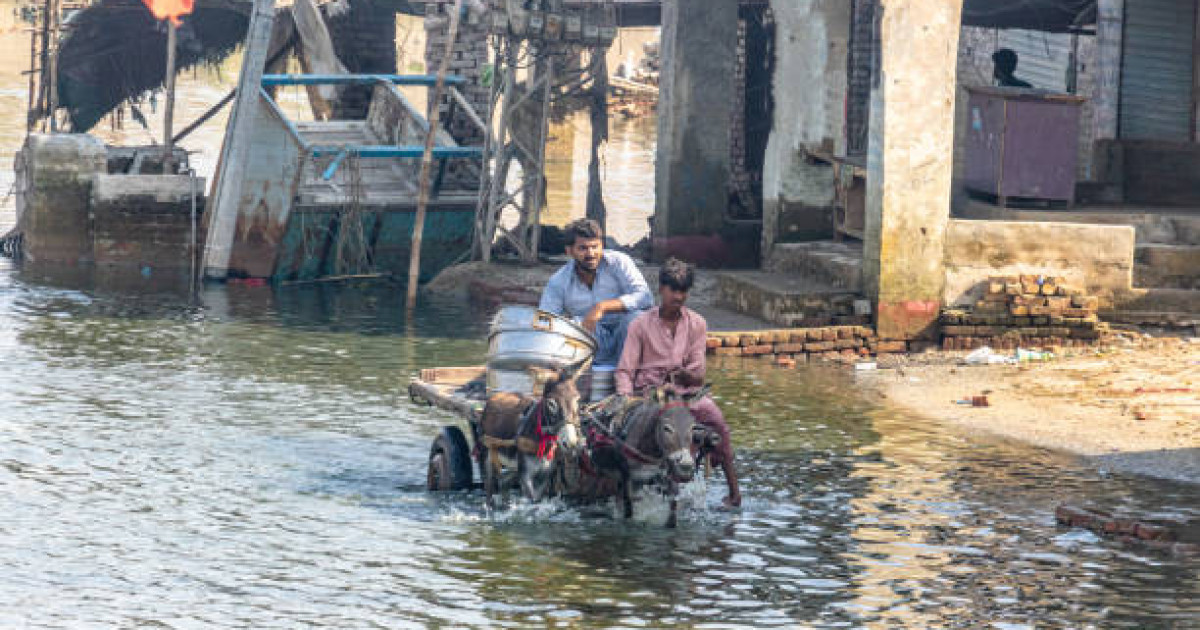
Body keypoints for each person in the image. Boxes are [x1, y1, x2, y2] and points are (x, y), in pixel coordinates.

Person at [615, 258, 742, 508]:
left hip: (688, 395)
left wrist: (683, 375)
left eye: (683, 291)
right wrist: (626, 399)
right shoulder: (640, 324)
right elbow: (625, 370)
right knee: (666, 423)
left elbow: (699, 375)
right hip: (651, 395)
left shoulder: (697, 324)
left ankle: (734, 491)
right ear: (661, 289)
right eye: (673, 290)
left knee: (718, 422)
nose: (678, 296)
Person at [539, 219, 653, 366]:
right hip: (593, 339)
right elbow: (545, 319)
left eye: (595, 246)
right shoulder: (559, 280)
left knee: (636, 318)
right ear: (569, 251)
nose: (591, 253)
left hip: (626, 334)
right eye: (583, 248)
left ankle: (629, 377)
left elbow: (645, 297)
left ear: (602, 245)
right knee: (571, 325)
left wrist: (602, 307)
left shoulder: (619, 262)